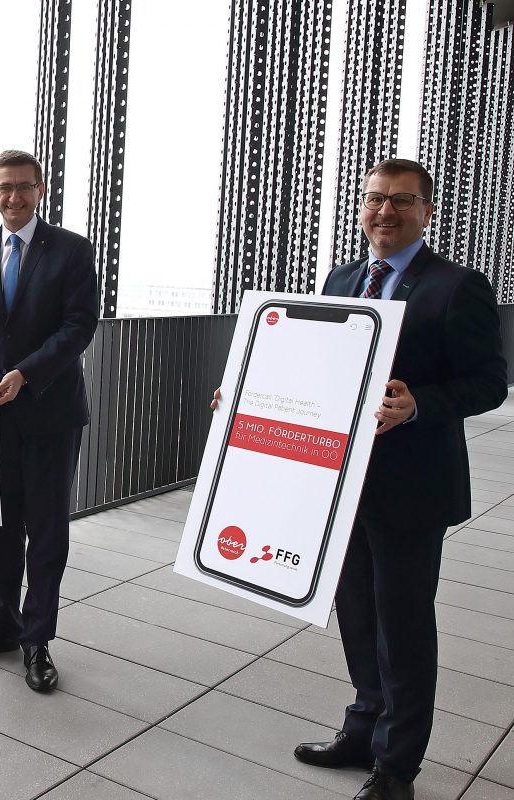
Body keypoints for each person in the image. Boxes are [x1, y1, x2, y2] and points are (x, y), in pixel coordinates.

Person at [214, 159, 506, 800]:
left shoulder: (458, 287)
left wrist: (421, 403)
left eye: (401, 201)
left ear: (427, 211)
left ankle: (397, 766)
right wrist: (246, 392)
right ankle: (363, 727)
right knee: (354, 612)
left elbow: (489, 381)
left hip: (411, 488)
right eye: (375, 199)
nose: (384, 211)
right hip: (340, 481)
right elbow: (319, 367)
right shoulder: (343, 277)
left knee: (401, 624)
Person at [0, 150, 99, 692]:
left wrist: (24, 373)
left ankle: (38, 639)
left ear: (40, 189)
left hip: (49, 411)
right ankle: (4, 624)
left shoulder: (72, 249)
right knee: (0, 525)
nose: (13, 196)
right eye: (3, 187)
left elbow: (80, 325)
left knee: (46, 531)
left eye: (23, 186)